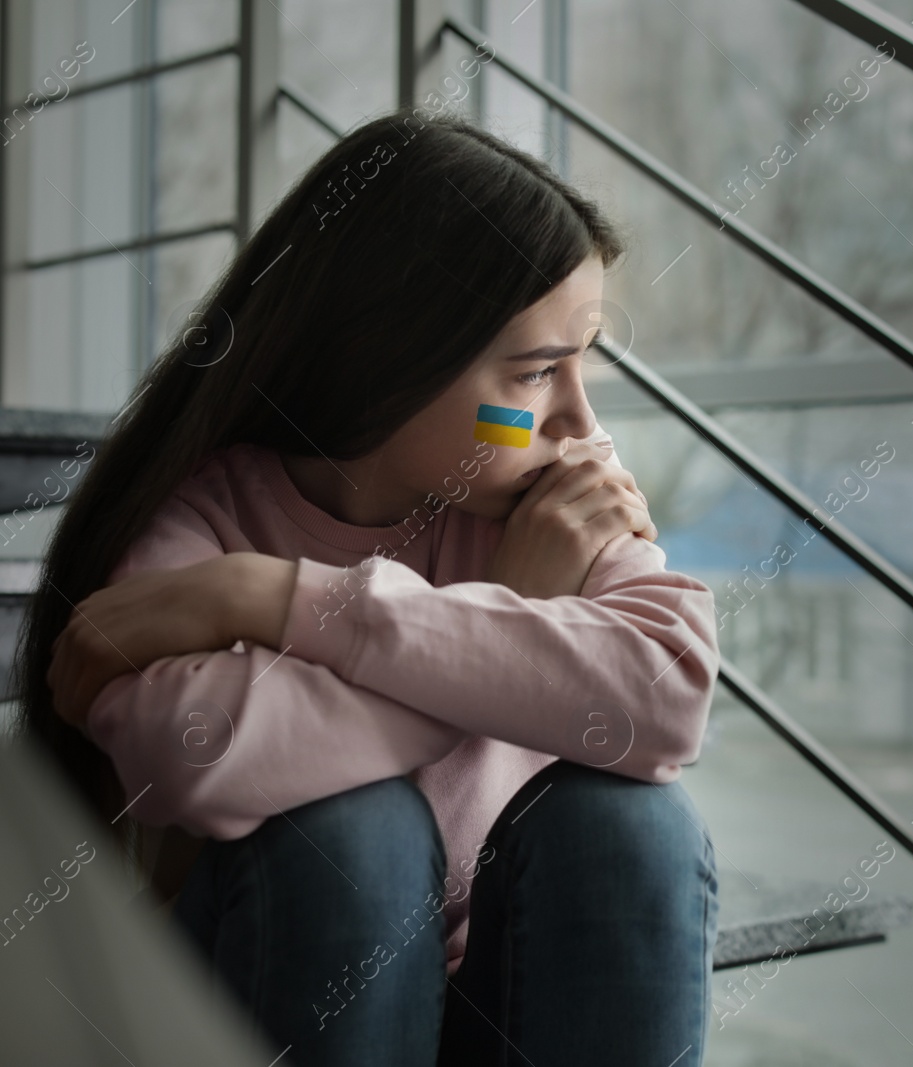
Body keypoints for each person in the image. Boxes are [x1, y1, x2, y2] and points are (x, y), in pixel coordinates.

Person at [13, 109, 721, 1067]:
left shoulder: (548, 502)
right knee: (351, 831)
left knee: (631, 821)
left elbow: (666, 693)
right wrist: (497, 640)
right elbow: (195, 753)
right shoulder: (201, 519)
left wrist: (276, 600)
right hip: (269, 988)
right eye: (537, 373)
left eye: (583, 359)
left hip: (493, 999)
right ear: (392, 358)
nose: (579, 417)